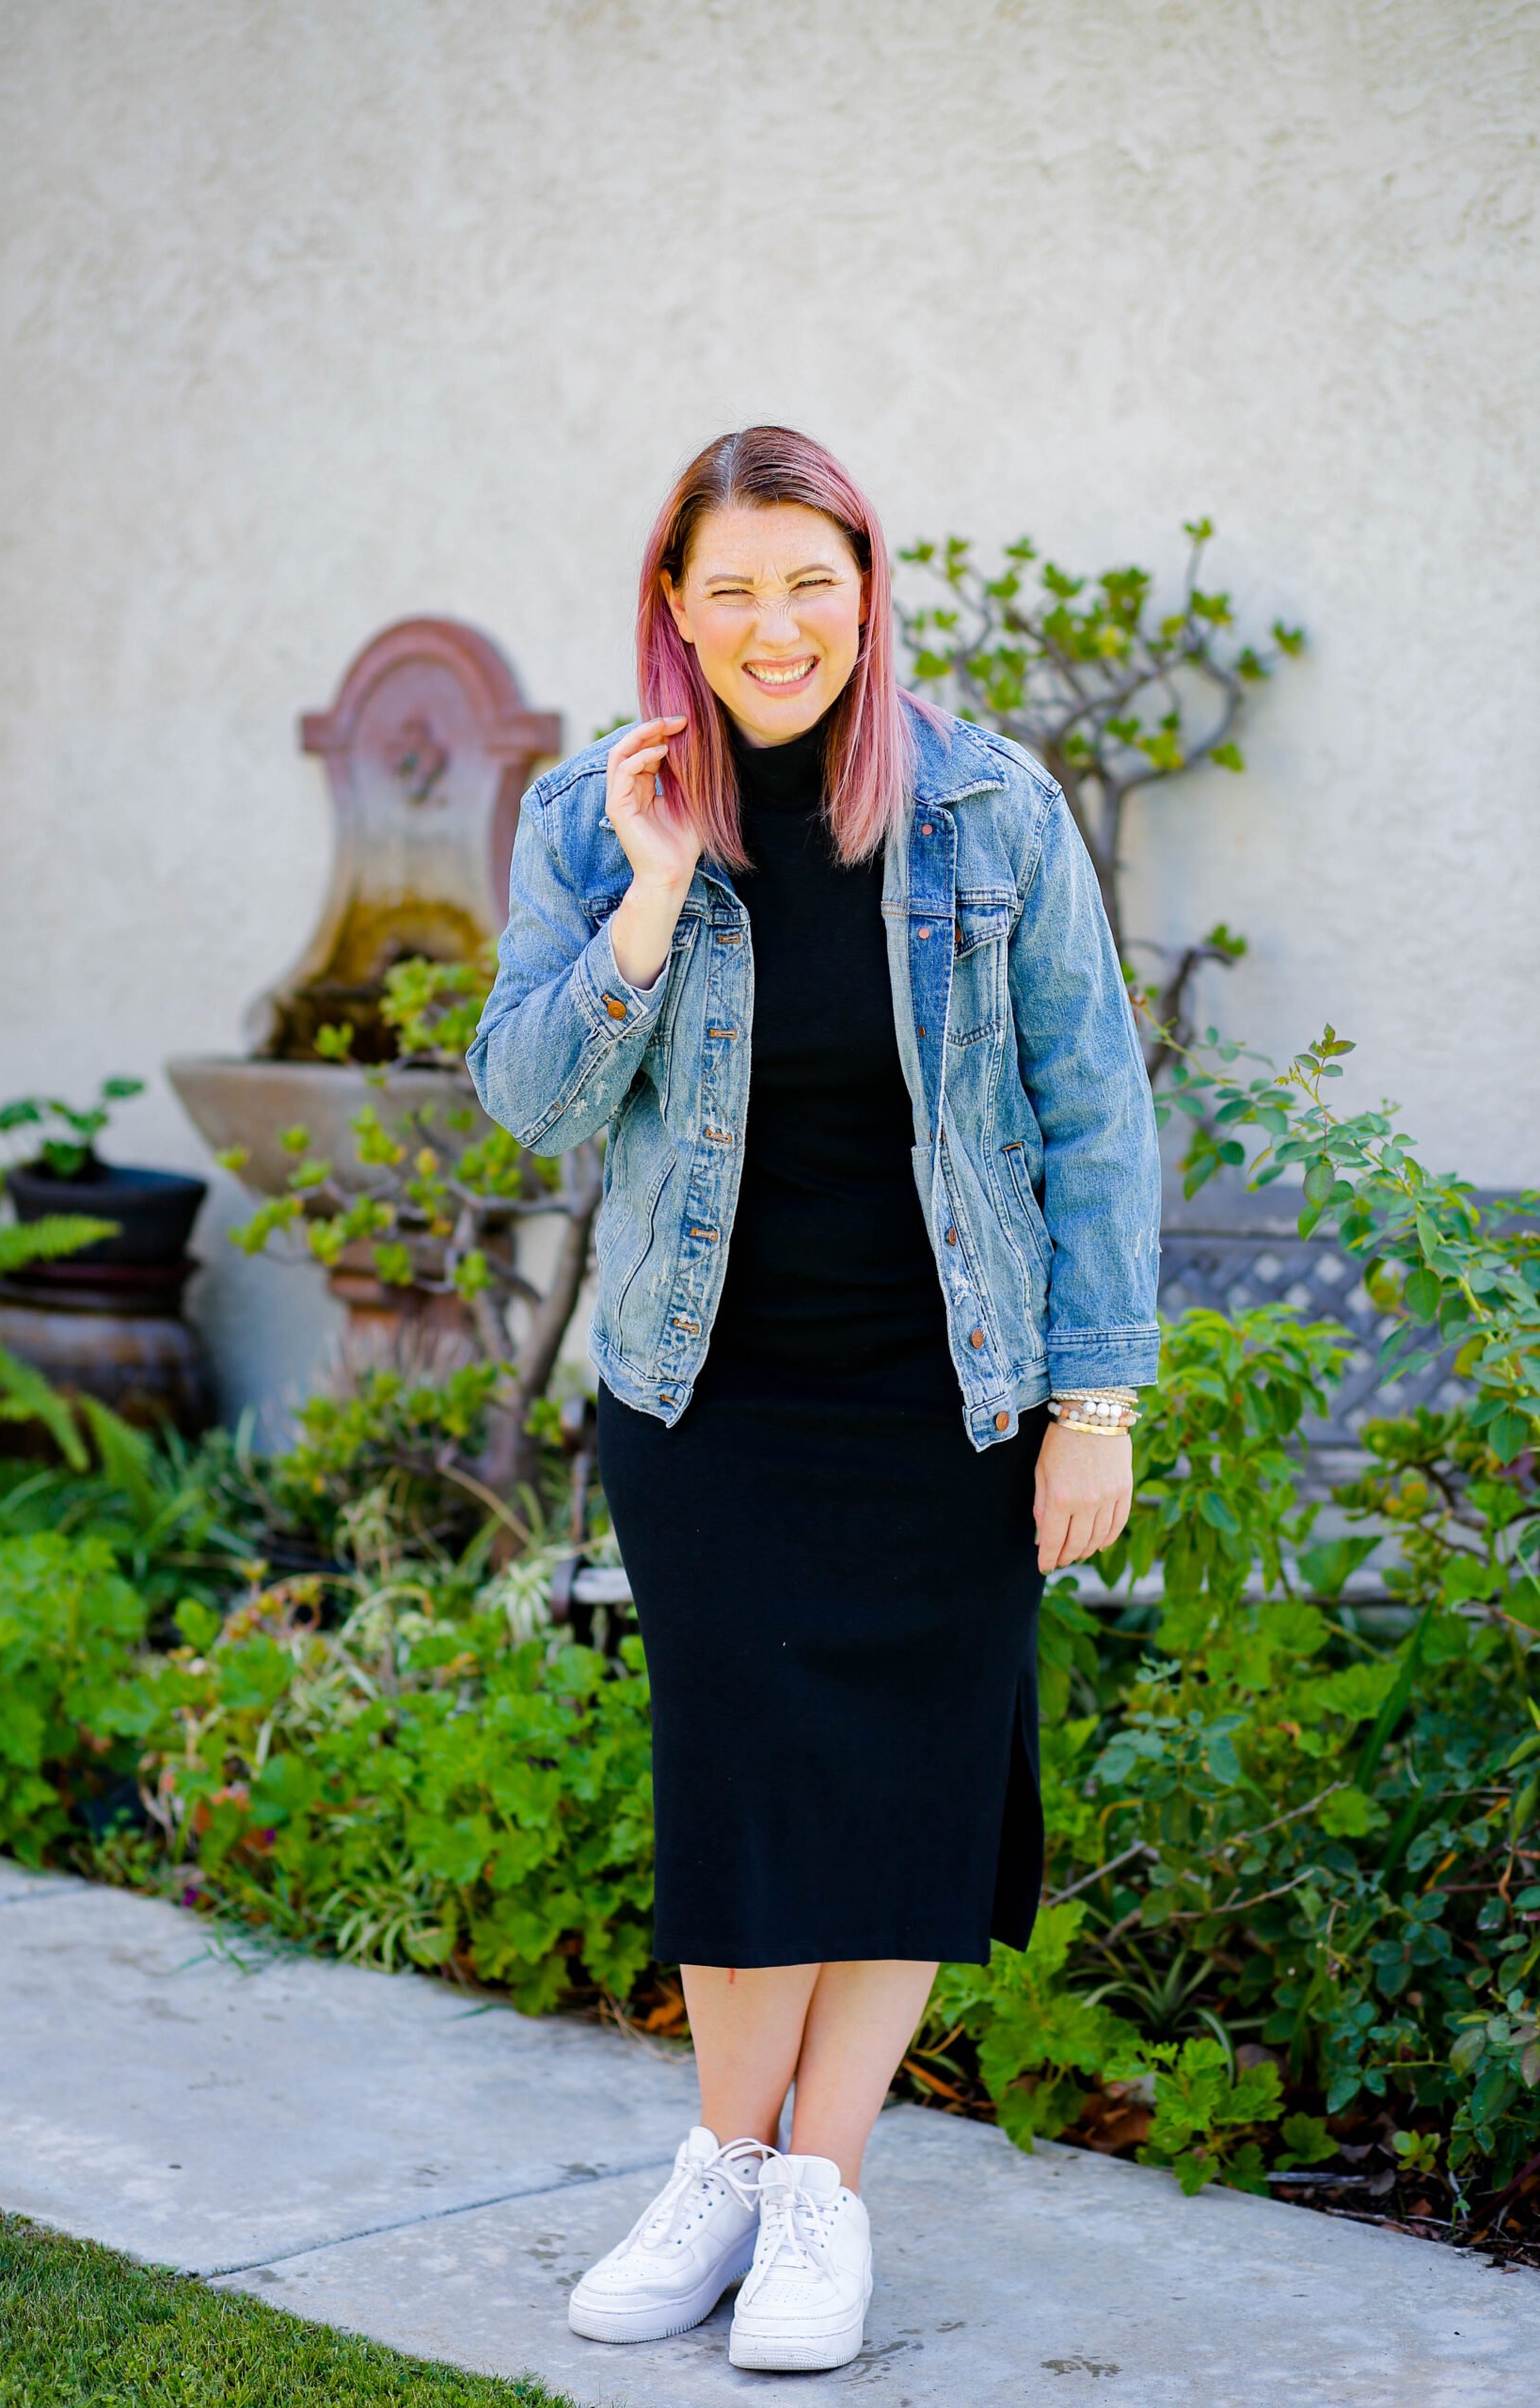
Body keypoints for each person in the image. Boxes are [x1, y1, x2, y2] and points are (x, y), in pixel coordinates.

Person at [465, 424, 1161, 2372]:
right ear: (672, 607)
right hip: (710, 1396)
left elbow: (1091, 1110)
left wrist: (1092, 1401)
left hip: (951, 1393)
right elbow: (524, 1100)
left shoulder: (987, 809)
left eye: (811, 580)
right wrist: (648, 897)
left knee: (903, 1799)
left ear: (866, 589)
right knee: (745, 1790)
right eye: (732, 587)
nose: (776, 625)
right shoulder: (588, 816)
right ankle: (716, 2162)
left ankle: (816, 2190)